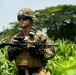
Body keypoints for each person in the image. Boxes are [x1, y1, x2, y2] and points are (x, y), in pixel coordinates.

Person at [6, 8, 56, 75]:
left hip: (38, 72)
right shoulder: (15, 38)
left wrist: (39, 52)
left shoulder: (40, 36)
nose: (21, 20)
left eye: (24, 18)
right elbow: (7, 57)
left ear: (32, 20)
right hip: (20, 72)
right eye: (19, 18)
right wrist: (11, 52)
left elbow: (52, 52)